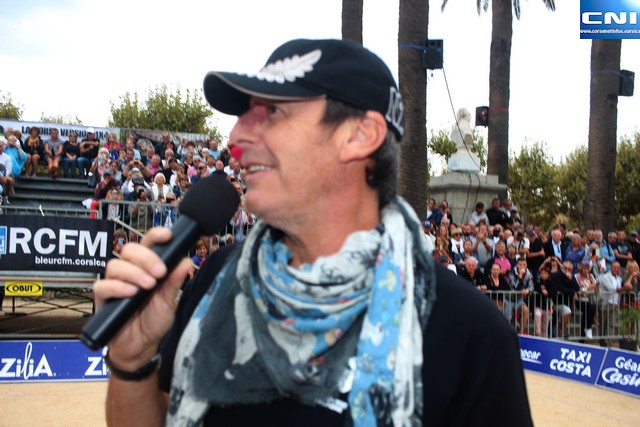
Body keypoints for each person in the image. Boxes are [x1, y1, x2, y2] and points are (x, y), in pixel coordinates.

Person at [93, 38, 531, 426]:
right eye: (244, 114)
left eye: (272, 112)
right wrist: (132, 362)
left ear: (360, 135)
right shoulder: (217, 278)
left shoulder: (470, 334)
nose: (235, 135)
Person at [574, 261, 597, 339]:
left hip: (589, 299)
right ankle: (588, 328)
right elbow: (577, 288)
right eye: (585, 269)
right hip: (580, 300)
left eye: (588, 268)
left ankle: (584, 333)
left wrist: (586, 289)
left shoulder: (591, 276)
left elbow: (596, 286)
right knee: (589, 308)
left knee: (589, 311)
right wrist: (587, 288)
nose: (587, 270)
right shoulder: (576, 276)